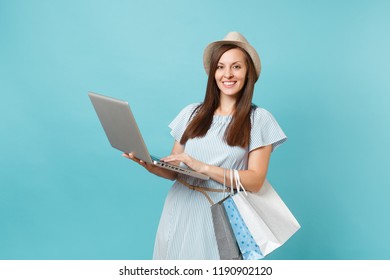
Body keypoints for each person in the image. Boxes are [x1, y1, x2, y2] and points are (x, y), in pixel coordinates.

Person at [122, 31, 287, 259]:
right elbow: (175, 171)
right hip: (179, 208)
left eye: (236, 67)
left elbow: (256, 181)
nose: (227, 74)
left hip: (219, 214)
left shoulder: (258, 119)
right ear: (213, 73)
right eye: (220, 66)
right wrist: (150, 165)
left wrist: (204, 167)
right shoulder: (192, 113)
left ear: (248, 72)